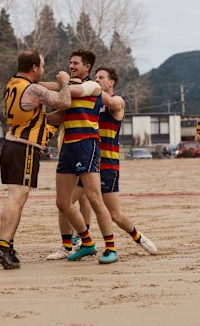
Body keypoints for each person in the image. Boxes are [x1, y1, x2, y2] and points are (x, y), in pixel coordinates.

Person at [46, 66, 157, 260]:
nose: (98, 80)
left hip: (107, 163)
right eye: (96, 77)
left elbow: (109, 101)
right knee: (67, 203)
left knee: (115, 214)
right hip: (88, 157)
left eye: (101, 78)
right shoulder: (91, 99)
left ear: (111, 82)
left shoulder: (116, 102)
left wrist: (85, 85)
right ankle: (76, 242)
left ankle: (138, 237)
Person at [0, 49, 72, 270]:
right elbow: (63, 102)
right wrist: (64, 82)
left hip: (11, 144)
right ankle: (2, 244)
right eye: (42, 66)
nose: (43, 70)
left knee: (18, 198)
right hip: (23, 148)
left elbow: (40, 112)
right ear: (34, 68)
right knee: (16, 198)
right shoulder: (33, 89)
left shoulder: (13, 84)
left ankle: (7, 245)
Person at [43, 50, 119, 265]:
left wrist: (55, 84)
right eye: (70, 63)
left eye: (76, 63)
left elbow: (69, 89)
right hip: (68, 147)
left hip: (87, 145)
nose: (71, 65)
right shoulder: (66, 89)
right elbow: (59, 115)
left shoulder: (92, 86)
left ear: (87, 68)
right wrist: (32, 93)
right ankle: (87, 243)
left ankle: (110, 248)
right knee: (62, 203)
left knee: (95, 199)